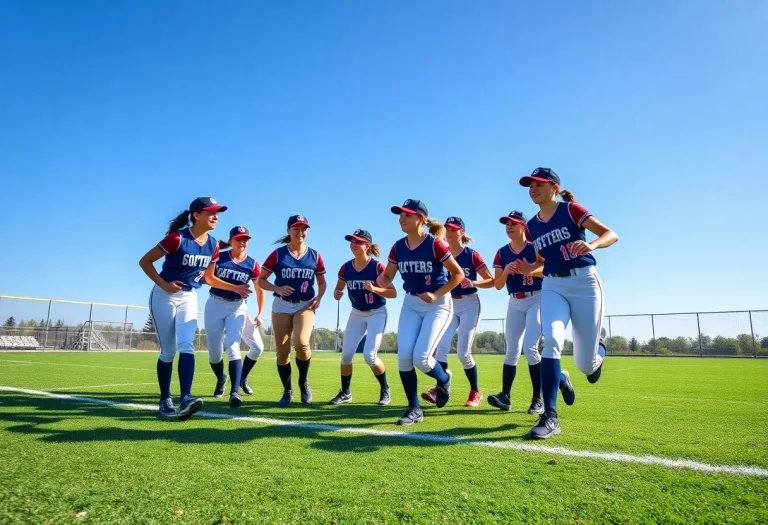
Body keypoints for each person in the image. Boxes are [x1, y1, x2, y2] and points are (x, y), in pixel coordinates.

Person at [517, 167, 618, 439]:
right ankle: (550, 416)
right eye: (530, 185)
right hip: (552, 286)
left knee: (586, 365)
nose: (532, 189)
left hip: (585, 283)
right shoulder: (531, 226)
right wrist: (528, 270)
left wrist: (592, 245)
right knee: (551, 340)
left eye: (538, 184)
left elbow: (610, 234)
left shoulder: (570, 210)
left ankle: (598, 352)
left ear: (554, 188)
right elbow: (542, 262)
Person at [139, 197, 249, 420]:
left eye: (218, 212)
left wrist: (235, 288)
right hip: (164, 295)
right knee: (169, 351)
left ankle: (186, 397)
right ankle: (165, 399)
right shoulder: (177, 238)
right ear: (196, 215)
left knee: (187, 345)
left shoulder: (214, 245)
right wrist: (164, 284)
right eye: (211, 212)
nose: (216, 216)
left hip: (190, 296)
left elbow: (209, 278)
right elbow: (145, 261)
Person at [376, 199, 464, 425]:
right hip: (411, 303)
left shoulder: (435, 244)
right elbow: (388, 275)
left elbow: (458, 275)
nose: (401, 218)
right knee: (404, 356)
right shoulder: (398, 247)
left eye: (407, 214)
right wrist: (381, 280)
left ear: (421, 219)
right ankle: (414, 408)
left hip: (438, 303)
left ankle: (444, 379)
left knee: (421, 358)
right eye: (400, 215)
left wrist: (436, 294)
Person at [423, 217, 494, 408]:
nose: (449, 232)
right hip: (448, 305)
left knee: (463, 353)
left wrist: (474, 282)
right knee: (441, 348)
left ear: (462, 232)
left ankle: (475, 391)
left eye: (454, 229)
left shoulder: (471, 255)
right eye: (447, 228)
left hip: (470, 304)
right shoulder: (441, 253)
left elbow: (491, 280)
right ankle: (441, 390)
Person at [257, 215, 326, 406]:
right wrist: (277, 288)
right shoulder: (278, 254)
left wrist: (319, 297)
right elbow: (261, 280)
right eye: (296, 228)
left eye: (304, 228)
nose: (300, 232)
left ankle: (303, 383)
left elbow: (321, 282)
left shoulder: (315, 255)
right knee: (282, 351)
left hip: (305, 304)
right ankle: (287, 390)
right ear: (288, 231)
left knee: (302, 342)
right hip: (281, 305)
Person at [487, 210, 550, 415]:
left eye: (513, 223)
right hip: (514, 301)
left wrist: (528, 269)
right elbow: (497, 285)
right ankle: (505, 396)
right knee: (512, 350)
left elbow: (549, 268)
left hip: (537, 298)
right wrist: (506, 271)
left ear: (523, 226)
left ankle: (537, 399)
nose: (509, 227)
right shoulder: (502, 252)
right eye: (506, 224)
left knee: (530, 347)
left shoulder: (535, 246)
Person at [330, 229, 396, 405]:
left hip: (377, 313)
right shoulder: (346, 267)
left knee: (370, 356)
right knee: (346, 355)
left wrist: (375, 289)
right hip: (357, 313)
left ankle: (385, 389)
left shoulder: (377, 267)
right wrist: (337, 293)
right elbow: (338, 289)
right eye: (352, 241)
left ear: (367, 245)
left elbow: (393, 293)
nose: (354, 244)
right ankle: (345, 393)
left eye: (358, 242)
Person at [203, 226, 265, 408]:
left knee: (233, 346)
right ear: (230, 240)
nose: (242, 242)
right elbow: (208, 279)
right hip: (215, 303)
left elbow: (260, 289)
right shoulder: (219, 256)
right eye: (238, 239)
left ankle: (235, 392)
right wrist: (234, 287)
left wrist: (260, 313)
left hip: (237, 307)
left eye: (245, 239)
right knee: (215, 354)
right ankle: (221, 379)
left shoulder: (252, 264)